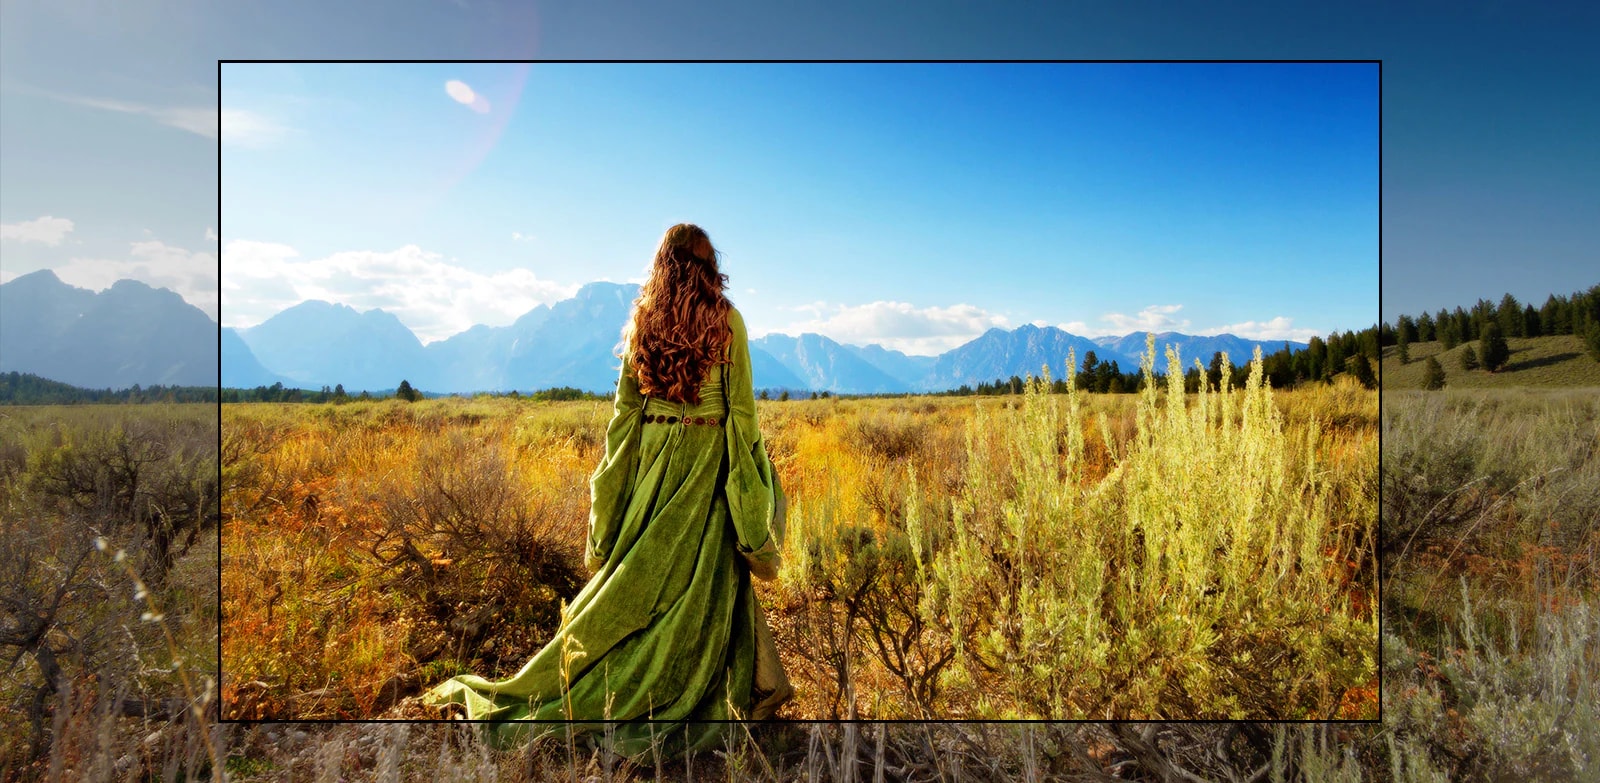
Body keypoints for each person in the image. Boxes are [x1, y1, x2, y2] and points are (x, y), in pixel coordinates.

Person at [422, 223, 790, 754]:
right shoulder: (729, 322)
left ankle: (594, 684)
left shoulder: (644, 321)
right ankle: (685, 688)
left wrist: (615, 497)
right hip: (706, 468)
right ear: (711, 267)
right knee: (700, 589)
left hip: (653, 470)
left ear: (663, 264)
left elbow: (624, 420)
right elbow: (741, 416)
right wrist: (755, 488)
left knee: (633, 586)